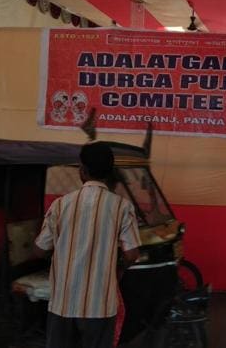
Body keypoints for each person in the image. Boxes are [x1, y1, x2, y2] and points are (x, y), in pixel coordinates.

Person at [34, 141, 142, 348]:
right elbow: (131, 254)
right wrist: (118, 269)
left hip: (62, 303)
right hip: (100, 304)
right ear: (110, 173)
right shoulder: (122, 207)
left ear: (82, 171)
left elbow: (40, 250)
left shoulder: (60, 204)